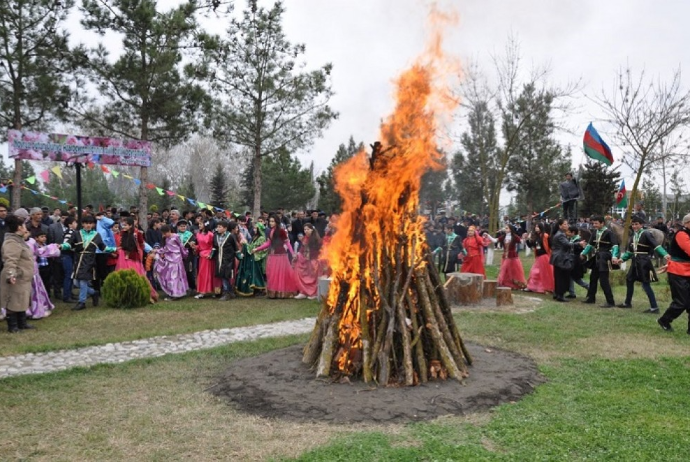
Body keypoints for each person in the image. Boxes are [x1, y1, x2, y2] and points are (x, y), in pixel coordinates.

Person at [613, 217, 670, 313]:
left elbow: (656, 245)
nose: (634, 226)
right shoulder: (633, 236)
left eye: (636, 224)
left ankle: (654, 307)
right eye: (633, 224)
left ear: (641, 225)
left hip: (643, 261)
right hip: (635, 261)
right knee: (629, 279)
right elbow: (630, 252)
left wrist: (665, 254)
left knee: (645, 284)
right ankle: (627, 303)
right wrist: (621, 259)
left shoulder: (647, 234)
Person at [61, 215, 115, 311]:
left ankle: (82, 302)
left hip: (89, 261)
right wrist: (61, 246)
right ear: (82, 224)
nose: (88, 225)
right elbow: (69, 243)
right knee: (76, 282)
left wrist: (114, 249)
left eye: (90, 223)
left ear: (93, 224)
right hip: (78, 260)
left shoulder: (96, 235)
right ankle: (94, 292)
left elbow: (103, 247)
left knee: (82, 282)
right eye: (86, 223)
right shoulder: (77, 234)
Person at [1, 215, 36, 332]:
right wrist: (11, 275)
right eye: (24, 225)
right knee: (13, 302)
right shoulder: (11, 242)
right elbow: (10, 260)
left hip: (23, 277)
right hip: (16, 277)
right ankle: (13, 326)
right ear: (19, 227)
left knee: (22, 300)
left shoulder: (19, 240)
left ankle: (22, 323)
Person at [251, 214, 298, 299]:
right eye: (270, 221)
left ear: (277, 222)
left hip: (281, 255)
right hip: (272, 255)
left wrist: (293, 253)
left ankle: (282, 292)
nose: (271, 223)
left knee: (281, 274)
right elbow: (268, 243)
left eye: (273, 221)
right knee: (272, 274)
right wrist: (256, 249)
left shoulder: (281, 231)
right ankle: (274, 292)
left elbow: (287, 243)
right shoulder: (270, 231)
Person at [657, 213, 690, 332]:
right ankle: (665, 320)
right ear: (687, 223)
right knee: (681, 302)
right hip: (678, 272)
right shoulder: (681, 234)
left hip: (687, 270)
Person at [115, 217, 158, 302]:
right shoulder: (122, 233)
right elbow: (120, 244)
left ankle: (145, 295)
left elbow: (142, 244)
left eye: (126, 225)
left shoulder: (137, 233)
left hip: (134, 257)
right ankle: (127, 296)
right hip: (123, 257)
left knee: (138, 276)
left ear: (131, 225)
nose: (124, 226)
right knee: (124, 276)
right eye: (123, 225)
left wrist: (140, 251)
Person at [580, 216, 619, 308]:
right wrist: (583, 253)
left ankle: (610, 301)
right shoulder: (595, 232)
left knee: (603, 280)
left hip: (605, 257)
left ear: (602, 223)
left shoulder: (609, 233)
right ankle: (591, 298)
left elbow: (615, 246)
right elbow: (590, 245)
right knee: (593, 278)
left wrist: (614, 256)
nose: (594, 225)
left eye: (596, 223)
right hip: (597, 257)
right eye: (593, 223)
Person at [154, 224, 189, 301]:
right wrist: (158, 251)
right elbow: (166, 248)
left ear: (169, 231)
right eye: (163, 233)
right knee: (170, 276)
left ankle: (175, 293)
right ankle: (175, 292)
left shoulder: (176, 237)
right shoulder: (166, 239)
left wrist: (184, 254)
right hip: (169, 259)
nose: (164, 235)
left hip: (176, 259)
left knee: (175, 277)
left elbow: (181, 246)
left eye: (165, 233)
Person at [550, 218, 578, 302]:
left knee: (558, 276)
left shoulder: (558, 234)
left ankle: (557, 293)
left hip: (557, 257)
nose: (567, 225)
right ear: (560, 226)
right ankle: (560, 295)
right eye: (565, 224)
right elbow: (567, 244)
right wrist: (578, 244)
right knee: (562, 276)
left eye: (567, 224)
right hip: (561, 257)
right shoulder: (561, 235)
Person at [236, 222, 267, 297]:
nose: (254, 230)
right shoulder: (254, 237)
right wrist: (246, 245)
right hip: (253, 258)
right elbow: (251, 247)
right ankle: (255, 289)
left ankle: (261, 289)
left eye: (256, 228)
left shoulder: (261, 238)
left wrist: (246, 244)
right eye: (253, 228)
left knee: (257, 274)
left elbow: (260, 249)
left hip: (257, 258)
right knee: (253, 274)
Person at [293, 223, 322, 299]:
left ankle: (314, 293)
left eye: (308, 229)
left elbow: (319, 251)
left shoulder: (316, 239)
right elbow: (302, 249)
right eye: (305, 229)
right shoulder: (304, 239)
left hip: (313, 260)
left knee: (312, 277)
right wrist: (298, 254)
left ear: (312, 229)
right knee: (302, 273)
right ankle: (303, 291)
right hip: (305, 259)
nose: (306, 231)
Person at [212, 221, 240, 301]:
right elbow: (214, 247)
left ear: (225, 228)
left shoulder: (230, 236)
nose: (218, 228)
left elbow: (236, 248)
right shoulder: (215, 236)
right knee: (222, 275)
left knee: (226, 276)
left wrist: (239, 256)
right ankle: (230, 292)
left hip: (228, 260)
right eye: (217, 227)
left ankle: (226, 292)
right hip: (219, 259)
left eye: (220, 227)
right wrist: (211, 255)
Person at [194, 219, 220, 299]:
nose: (199, 225)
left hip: (209, 257)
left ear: (205, 225)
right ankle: (202, 291)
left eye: (201, 224)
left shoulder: (211, 235)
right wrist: (195, 247)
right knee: (202, 274)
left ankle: (214, 291)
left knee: (211, 274)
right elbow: (199, 245)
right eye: (199, 224)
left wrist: (211, 254)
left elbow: (215, 246)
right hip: (202, 256)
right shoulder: (198, 234)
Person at [525, 222, 554, 294]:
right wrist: (528, 239)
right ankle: (533, 286)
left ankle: (545, 287)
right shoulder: (535, 236)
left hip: (544, 256)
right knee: (534, 272)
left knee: (544, 272)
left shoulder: (545, 236)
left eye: (537, 227)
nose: (536, 228)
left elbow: (550, 245)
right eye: (535, 227)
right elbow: (531, 245)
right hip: (538, 257)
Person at [497, 224, 526, 289]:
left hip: (512, 256)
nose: (505, 229)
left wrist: (524, 237)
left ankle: (513, 282)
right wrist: (488, 236)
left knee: (510, 269)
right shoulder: (503, 237)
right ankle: (505, 282)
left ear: (510, 229)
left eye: (507, 228)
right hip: (505, 255)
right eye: (505, 228)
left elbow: (521, 242)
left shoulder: (514, 236)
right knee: (506, 269)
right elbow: (495, 240)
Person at [565, 225, 590, 298]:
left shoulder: (579, 241)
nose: (567, 233)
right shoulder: (571, 239)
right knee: (570, 277)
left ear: (573, 233)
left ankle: (589, 288)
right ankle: (572, 292)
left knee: (577, 279)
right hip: (572, 262)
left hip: (577, 263)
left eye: (569, 232)